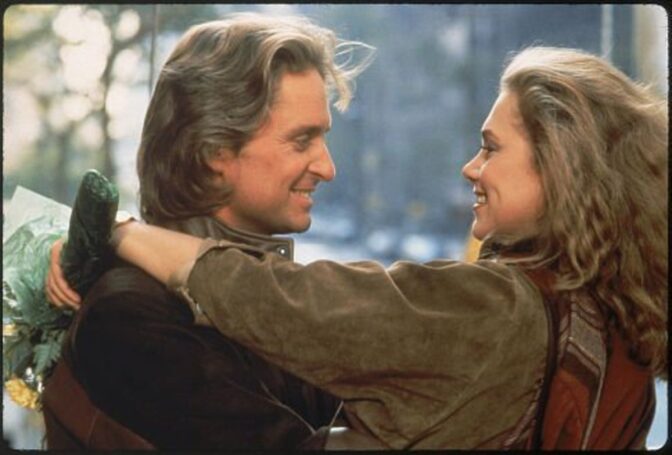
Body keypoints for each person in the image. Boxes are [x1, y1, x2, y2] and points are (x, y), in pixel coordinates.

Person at [90, 46, 667, 449]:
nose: (471, 168)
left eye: (491, 148)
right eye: (302, 139)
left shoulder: (500, 309)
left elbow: (287, 302)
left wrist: (116, 231)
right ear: (215, 153)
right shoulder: (610, 316)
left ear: (560, 168)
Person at [43, 12, 377, 449]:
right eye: (302, 141)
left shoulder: (266, 298)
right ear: (214, 152)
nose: (327, 168)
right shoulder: (130, 315)